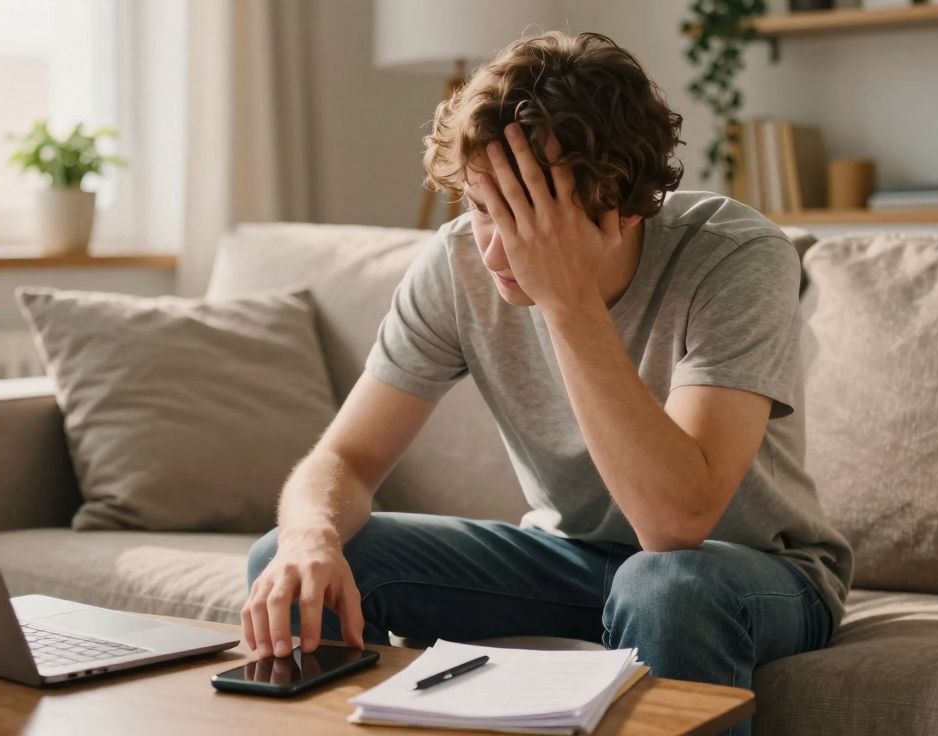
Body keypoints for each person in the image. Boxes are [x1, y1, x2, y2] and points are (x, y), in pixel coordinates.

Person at [244, 30, 851, 732]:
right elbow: (343, 460)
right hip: (569, 560)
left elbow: (676, 522)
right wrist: (310, 536)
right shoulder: (455, 266)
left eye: (528, 218)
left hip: (744, 573)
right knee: (289, 559)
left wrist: (568, 302)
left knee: (662, 589)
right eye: (481, 209)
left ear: (624, 206)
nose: (496, 250)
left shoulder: (736, 257)